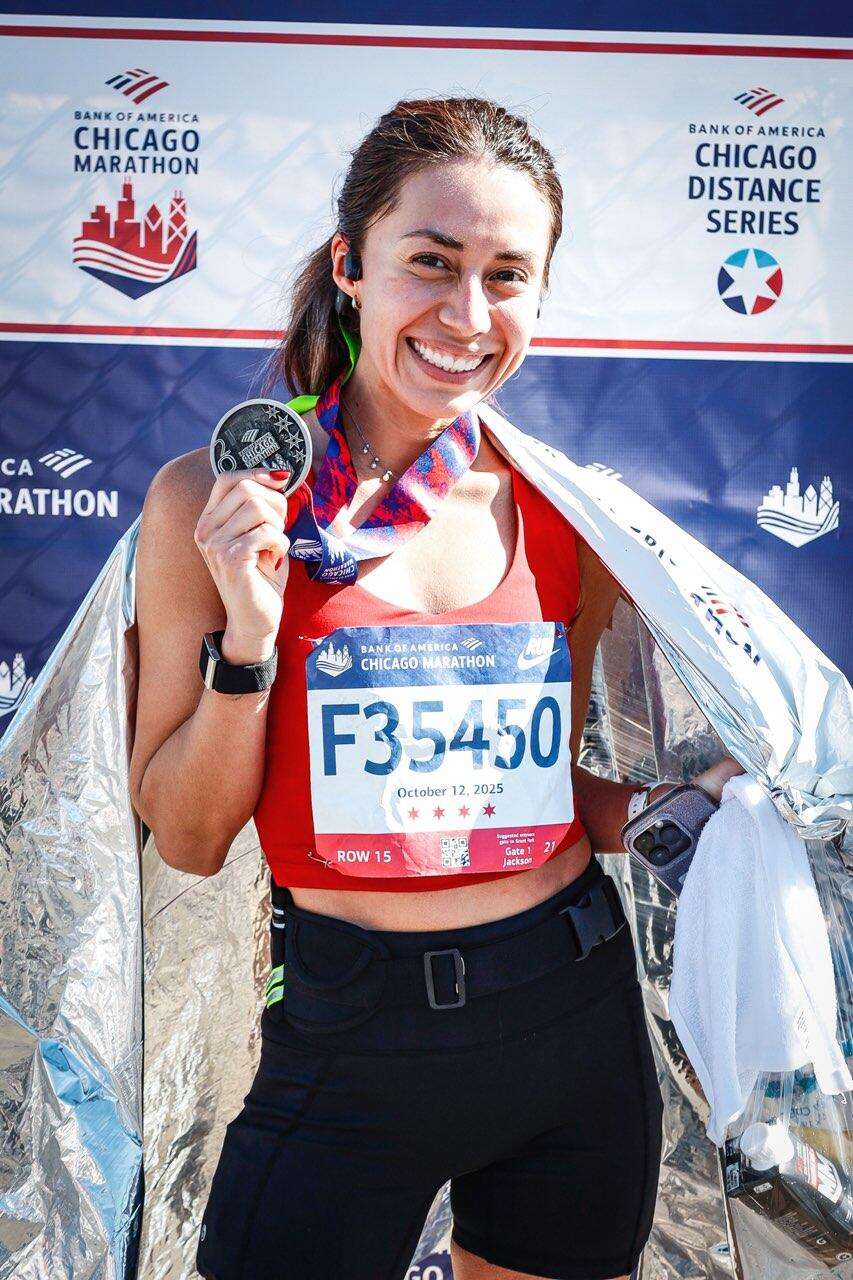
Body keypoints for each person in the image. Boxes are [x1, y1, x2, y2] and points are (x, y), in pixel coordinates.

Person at [130, 97, 741, 1280]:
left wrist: (685, 813)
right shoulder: (208, 505)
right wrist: (249, 638)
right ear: (351, 265)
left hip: (566, 1017)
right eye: (432, 263)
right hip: (346, 1033)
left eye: (508, 275)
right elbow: (194, 839)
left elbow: (522, 786)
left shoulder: (566, 511)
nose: (468, 315)